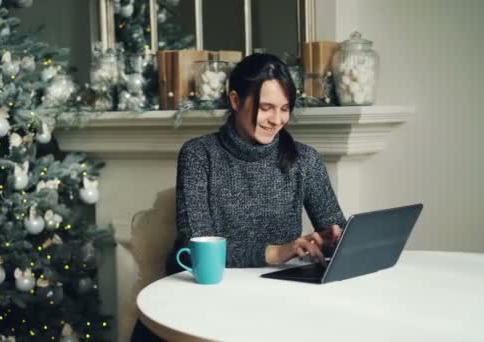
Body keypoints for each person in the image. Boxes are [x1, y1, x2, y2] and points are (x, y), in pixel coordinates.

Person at [131, 53, 346, 341]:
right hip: (202, 298)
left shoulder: (305, 160)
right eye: (266, 107)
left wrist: (333, 240)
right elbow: (197, 246)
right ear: (235, 100)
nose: (277, 120)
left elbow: (336, 229)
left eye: (285, 108)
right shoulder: (199, 155)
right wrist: (275, 252)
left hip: (275, 296)